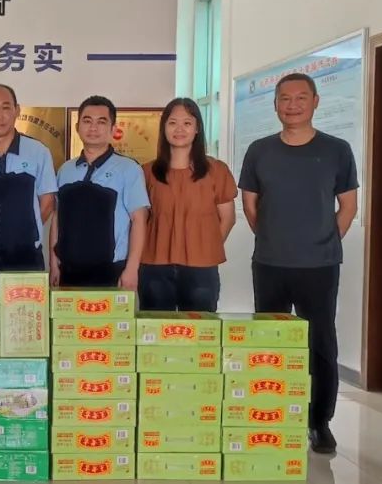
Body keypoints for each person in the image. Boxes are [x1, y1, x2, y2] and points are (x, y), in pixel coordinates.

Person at [238, 72, 358, 454]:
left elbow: (348, 206)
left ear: (315, 102)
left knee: (320, 343)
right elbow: (251, 205)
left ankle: (319, 421)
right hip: (270, 263)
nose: (292, 105)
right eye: (285, 99)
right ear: (275, 104)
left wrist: (323, 241)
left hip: (320, 266)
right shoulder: (259, 150)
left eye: (300, 98)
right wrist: (274, 238)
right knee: (270, 341)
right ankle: (270, 413)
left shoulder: (337, 149)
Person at [139, 98, 238, 311]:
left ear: (197, 128)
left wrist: (205, 246)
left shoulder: (217, 170)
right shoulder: (147, 172)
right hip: (155, 266)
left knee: (200, 329)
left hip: (201, 269)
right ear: (164, 127)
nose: (179, 129)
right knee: (156, 328)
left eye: (187, 123)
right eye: (172, 123)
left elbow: (228, 218)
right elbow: (139, 221)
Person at [0, 84, 57, 297]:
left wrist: (20, 229)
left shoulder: (38, 152)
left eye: (5, 107)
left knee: (26, 312)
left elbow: (47, 202)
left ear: (17, 110)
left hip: (26, 253)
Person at [50, 95, 149, 288]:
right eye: (87, 121)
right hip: (68, 270)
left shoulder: (129, 169)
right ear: (77, 127)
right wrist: (54, 264)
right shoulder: (65, 170)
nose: (93, 128)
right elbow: (57, 218)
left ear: (113, 129)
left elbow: (139, 220)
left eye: (101, 122)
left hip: (111, 270)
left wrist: (132, 269)